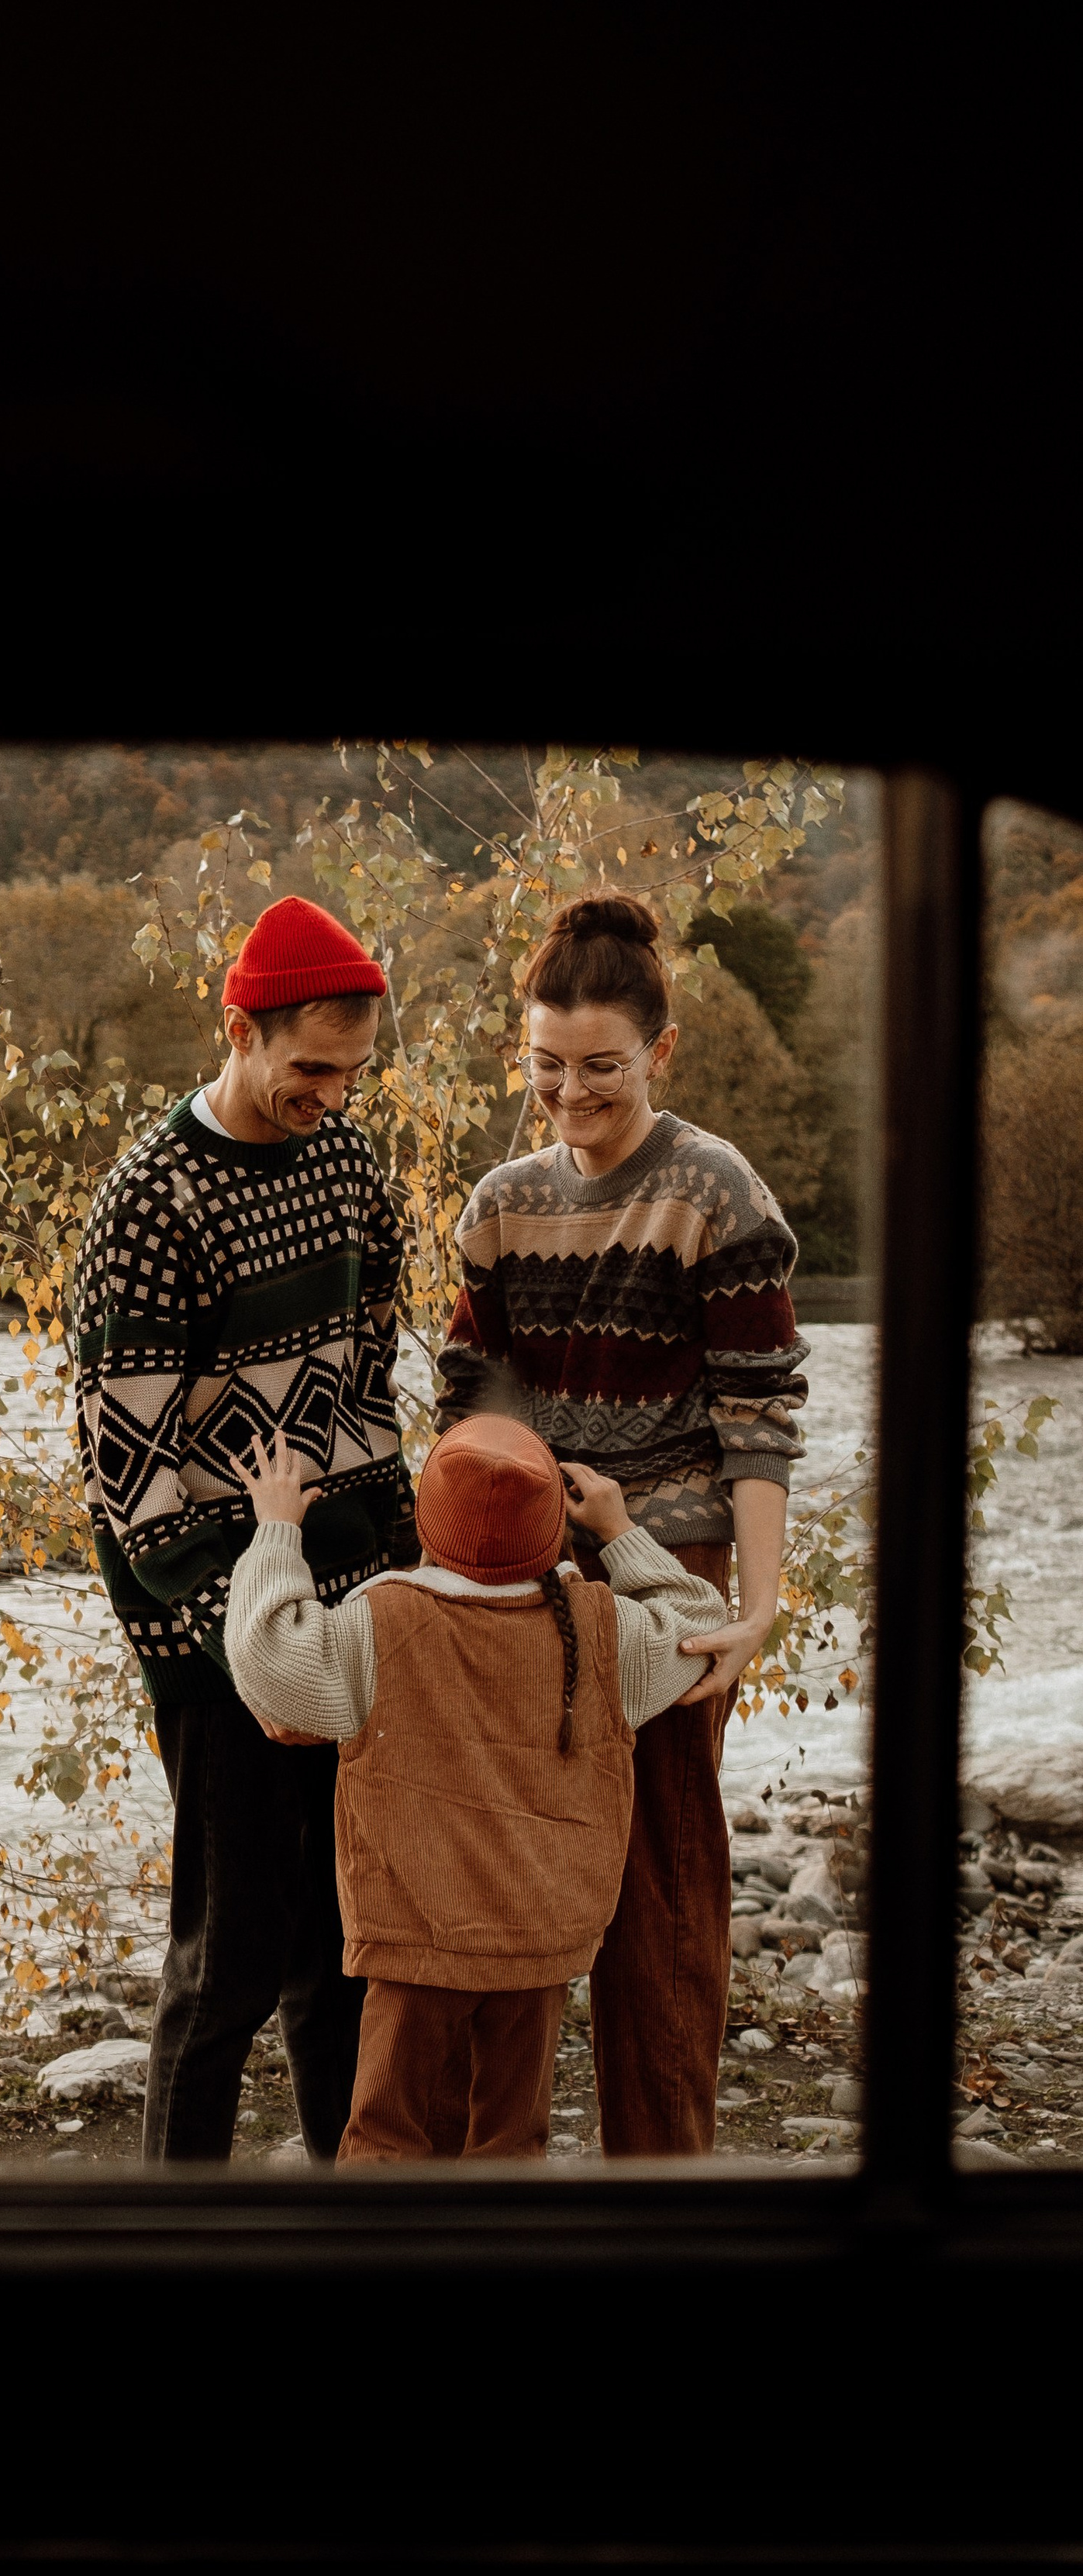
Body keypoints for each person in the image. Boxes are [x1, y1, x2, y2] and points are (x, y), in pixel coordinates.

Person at [434, 893, 809, 2156]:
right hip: (525, 1566)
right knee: (509, 1862)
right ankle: (503, 2169)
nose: (572, 1094)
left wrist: (751, 1615)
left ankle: (663, 2179)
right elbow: (467, 1416)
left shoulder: (715, 1193)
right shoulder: (495, 1209)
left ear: (661, 1048)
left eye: (600, 1066)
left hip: (675, 1569)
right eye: (547, 1067)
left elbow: (761, 1421)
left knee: (658, 1884)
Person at [73, 892, 415, 2162]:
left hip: (359, 1607)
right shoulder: (152, 1207)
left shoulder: (347, 1163)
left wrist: (406, 1579)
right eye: (310, 1068)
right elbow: (134, 1480)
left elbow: (368, 1373)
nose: (330, 1093)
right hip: (210, 1630)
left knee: (345, 1950)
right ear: (239, 1030)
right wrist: (252, 1649)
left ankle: (347, 2208)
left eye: (353, 1070)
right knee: (227, 1958)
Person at [222, 1416, 729, 2160]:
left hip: (415, 1940)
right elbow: (698, 1621)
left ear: (428, 1527)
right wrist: (619, 1531)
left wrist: (275, 1532)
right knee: (511, 2139)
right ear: (553, 1530)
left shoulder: (378, 1622)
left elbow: (266, 1657)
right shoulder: (601, 1629)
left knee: (388, 2134)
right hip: (541, 1942)